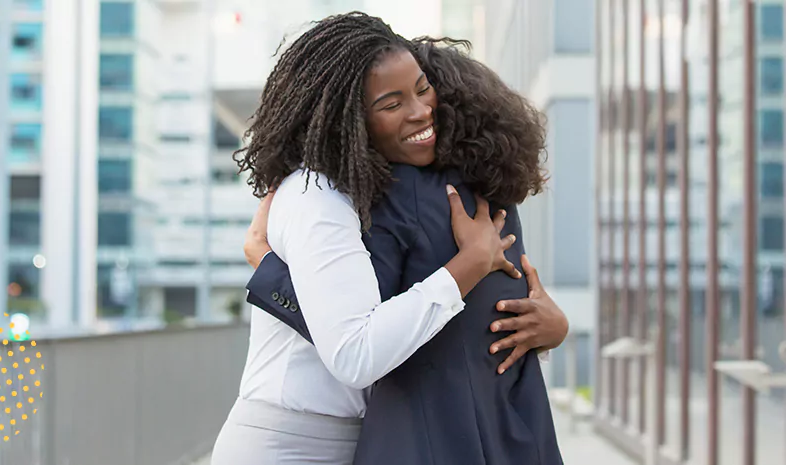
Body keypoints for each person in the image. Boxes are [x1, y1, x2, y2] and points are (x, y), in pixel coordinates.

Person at [211, 13, 566, 465]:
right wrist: (468, 265)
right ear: (349, 117)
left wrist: (552, 328)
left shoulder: (388, 196)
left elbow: (441, 330)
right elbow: (357, 348)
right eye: (391, 103)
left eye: (422, 89)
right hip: (290, 443)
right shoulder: (317, 196)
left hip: (351, 440)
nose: (420, 111)